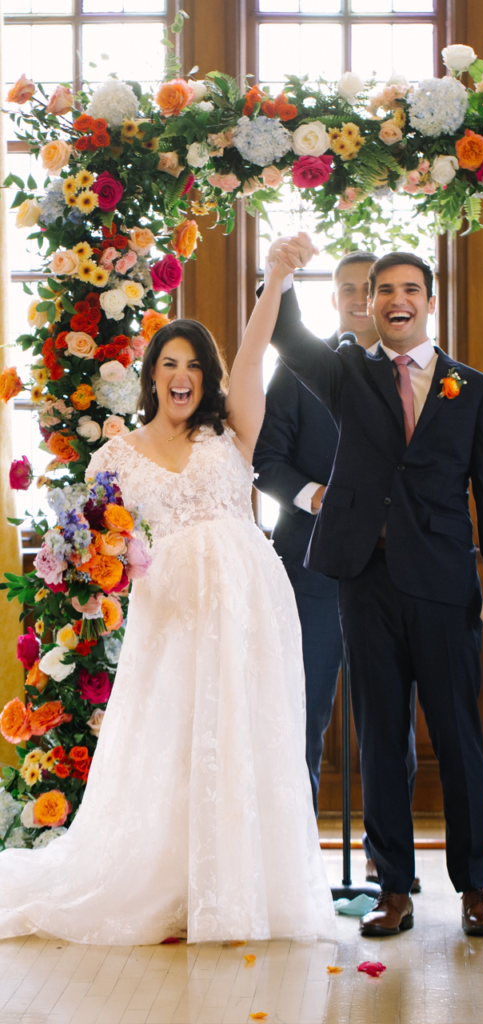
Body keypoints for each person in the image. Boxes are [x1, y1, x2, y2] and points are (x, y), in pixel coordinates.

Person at [0, 246, 335, 945]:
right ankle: (179, 888)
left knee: (245, 735)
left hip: (247, 610)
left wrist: (275, 281)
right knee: (179, 745)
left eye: (193, 366)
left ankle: (244, 889)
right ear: (152, 376)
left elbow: (251, 355)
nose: (182, 376)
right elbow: (82, 544)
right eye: (169, 364)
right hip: (172, 620)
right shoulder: (116, 455)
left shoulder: (232, 428)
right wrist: (93, 568)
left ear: (206, 379)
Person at [265, 233, 483, 938]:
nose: (397, 300)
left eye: (410, 289)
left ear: (429, 303)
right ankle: (394, 888)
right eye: (384, 291)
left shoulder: (471, 389)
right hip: (365, 579)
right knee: (379, 736)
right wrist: (281, 274)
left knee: (457, 735)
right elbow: (287, 337)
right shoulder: (347, 372)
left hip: (444, 584)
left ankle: (475, 888)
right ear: (370, 306)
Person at [253, 251, 420, 893]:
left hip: (391, 572)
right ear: (336, 299)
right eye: (348, 288)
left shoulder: (421, 375)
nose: (359, 298)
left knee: (390, 723)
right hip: (310, 570)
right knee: (303, 713)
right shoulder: (299, 373)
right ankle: (295, 860)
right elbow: (265, 460)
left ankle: (390, 863)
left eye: (369, 288)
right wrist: (317, 498)